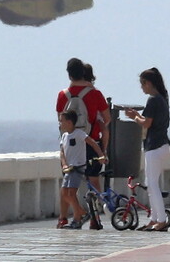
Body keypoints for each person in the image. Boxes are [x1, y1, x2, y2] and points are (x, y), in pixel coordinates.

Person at [55, 58, 111, 229]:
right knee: (93, 181)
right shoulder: (95, 94)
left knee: (68, 183)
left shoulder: (62, 95)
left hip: (70, 144)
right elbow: (107, 119)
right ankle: (95, 218)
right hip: (90, 141)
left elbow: (60, 119)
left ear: (69, 73)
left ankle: (64, 218)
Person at [125, 67, 170, 232]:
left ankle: (161, 220)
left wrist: (134, 117)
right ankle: (154, 218)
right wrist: (138, 116)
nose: (141, 87)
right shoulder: (162, 99)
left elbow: (146, 123)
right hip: (162, 145)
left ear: (149, 83)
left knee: (152, 184)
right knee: (150, 184)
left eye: (142, 83)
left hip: (155, 146)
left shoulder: (153, 100)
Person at [59, 110, 106, 229]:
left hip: (78, 167)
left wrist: (101, 155)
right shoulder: (64, 136)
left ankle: (77, 217)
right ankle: (82, 213)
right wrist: (64, 165)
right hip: (69, 169)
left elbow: (93, 143)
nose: (60, 124)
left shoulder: (79, 133)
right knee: (64, 193)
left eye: (62, 121)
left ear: (69, 122)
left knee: (71, 193)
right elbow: (62, 152)